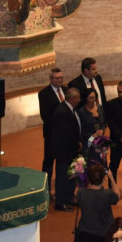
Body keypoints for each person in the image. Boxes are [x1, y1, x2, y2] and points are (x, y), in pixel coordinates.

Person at [77, 163, 120, 242]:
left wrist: (79, 177)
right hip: (105, 235)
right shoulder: (107, 195)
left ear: (88, 178)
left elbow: (76, 193)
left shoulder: (81, 193)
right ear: (103, 179)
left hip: (87, 234)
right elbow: (117, 195)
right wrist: (111, 177)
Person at [51, 87, 83, 211]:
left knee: (71, 175)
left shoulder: (71, 109)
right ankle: (60, 202)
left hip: (71, 151)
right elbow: (65, 134)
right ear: (72, 98)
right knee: (63, 177)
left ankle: (69, 198)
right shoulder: (62, 111)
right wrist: (77, 145)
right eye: (78, 98)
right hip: (64, 151)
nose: (80, 100)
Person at [38, 67, 67, 198]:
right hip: (52, 134)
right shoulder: (44, 93)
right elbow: (45, 115)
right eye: (57, 78)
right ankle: (46, 191)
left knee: (63, 163)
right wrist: (61, 127)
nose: (60, 80)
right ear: (50, 79)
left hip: (66, 135)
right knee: (49, 162)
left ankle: (62, 191)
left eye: (61, 78)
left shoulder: (66, 90)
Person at [79, 88, 108, 164]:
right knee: (92, 164)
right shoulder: (81, 112)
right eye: (90, 98)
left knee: (102, 163)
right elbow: (82, 130)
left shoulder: (100, 108)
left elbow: (104, 123)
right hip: (89, 142)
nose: (92, 100)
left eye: (93, 98)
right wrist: (92, 136)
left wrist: (102, 131)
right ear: (86, 98)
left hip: (100, 141)